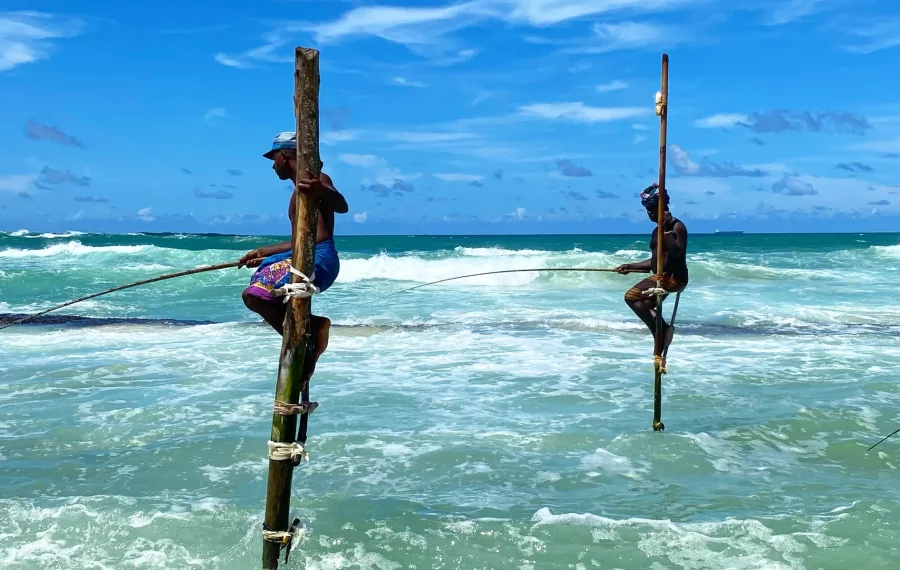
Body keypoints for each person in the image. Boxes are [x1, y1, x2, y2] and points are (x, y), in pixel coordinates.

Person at [239, 131, 349, 377]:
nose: (273, 166)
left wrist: (322, 190)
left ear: (285, 156)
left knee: (255, 295)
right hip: (304, 254)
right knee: (257, 286)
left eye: (274, 158)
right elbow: (301, 239)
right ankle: (307, 331)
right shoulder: (294, 191)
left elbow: (341, 207)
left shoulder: (317, 179)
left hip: (319, 258)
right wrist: (266, 254)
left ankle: (306, 340)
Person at [615, 183, 688, 362]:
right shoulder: (657, 230)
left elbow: (675, 253)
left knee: (631, 297)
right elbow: (656, 261)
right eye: (648, 211)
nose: (650, 214)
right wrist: (631, 266)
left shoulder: (677, 227)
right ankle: (660, 332)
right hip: (659, 275)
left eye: (653, 210)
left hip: (672, 278)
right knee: (644, 305)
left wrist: (667, 229)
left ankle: (661, 331)